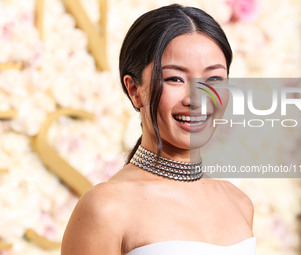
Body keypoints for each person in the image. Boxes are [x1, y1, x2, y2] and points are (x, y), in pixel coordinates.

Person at [61, 4, 255, 255]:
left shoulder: (238, 203)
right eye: (175, 78)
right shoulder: (106, 208)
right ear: (134, 90)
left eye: (214, 79)